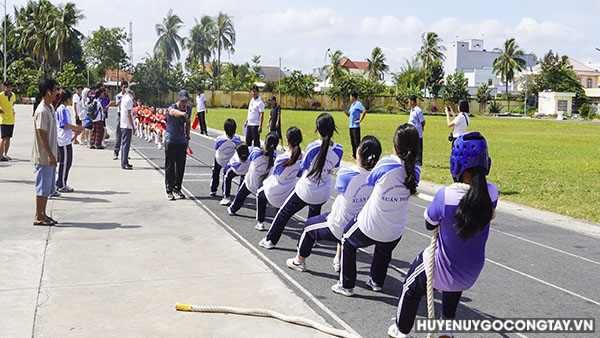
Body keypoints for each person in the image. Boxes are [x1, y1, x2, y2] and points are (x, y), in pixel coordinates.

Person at [387, 132, 497, 338]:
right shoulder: (492, 194)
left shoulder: (446, 195)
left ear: (455, 166)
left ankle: (400, 329)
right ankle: (446, 326)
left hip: (442, 271)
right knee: (455, 270)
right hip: (470, 273)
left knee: (410, 286)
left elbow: (429, 223)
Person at [332, 124, 420, 297]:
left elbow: (371, 181)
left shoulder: (387, 163)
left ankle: (346, 285)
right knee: (384, 249)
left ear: (395, 146)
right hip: (396, 230)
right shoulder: (415, 170)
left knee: (347, 240)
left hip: (370, 225)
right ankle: (376, 282)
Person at [286, 136, 381, 272]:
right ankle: (338, 259)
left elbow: (340, 188)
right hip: (359, 226)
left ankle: (299, 261)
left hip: (338, 224)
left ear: (358, 151)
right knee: (346, 219)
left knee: (308, 227)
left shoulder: (346, 173)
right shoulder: (378, 177)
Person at [259, 113, 343, 250]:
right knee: (313, 215)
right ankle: (310, 241)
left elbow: (304, 166)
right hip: (323, 191)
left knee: (284, 212)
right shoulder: (339, 149)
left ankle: (270, 240)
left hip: (307, 189)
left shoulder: (312, 147)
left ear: (318, 130)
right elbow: (335, 165)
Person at [255, 127, 304, 231]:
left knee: (260, 193)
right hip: (289, 190)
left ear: (287, 141)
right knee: (281, 202)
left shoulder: (281, 158)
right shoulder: (303, 157)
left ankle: (260, 222)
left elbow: (275, 173)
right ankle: (278, 220)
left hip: (275, 189)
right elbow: (299, 174)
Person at [227, 132, 278, 216]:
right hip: (262, 186)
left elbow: (247, 158)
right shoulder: (275, 157)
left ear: (265, 142)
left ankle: (233, 209)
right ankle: (261, 219)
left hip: (250, 183)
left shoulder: (255, 152)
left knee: (241, 194)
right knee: (262, 200)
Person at [32, 77, 59, 226]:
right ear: (48, 92)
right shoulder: (42, 110)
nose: (57, 93)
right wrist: (49, 154)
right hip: (43, 156)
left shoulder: (50, 108)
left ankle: (43, 214)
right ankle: (38, 215)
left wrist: (56, 151)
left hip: (50, 154)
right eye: (55, 90)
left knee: (47, 187)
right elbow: (41, 134)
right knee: (42, 186)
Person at [165, 90, 192, 201]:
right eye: (182, 101)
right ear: (178, 100)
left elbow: (188, 122)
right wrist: (181, 113)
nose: (184, 104)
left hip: (181, 141)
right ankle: (169, 190)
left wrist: (188, 137)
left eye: (186, 101)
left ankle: (177, 188)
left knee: (180, 167)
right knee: (170, 166)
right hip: (170, 140)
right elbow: (172, 113)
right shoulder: (172, 108)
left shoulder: (189, 109)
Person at [55, 89, 84, 192]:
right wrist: (77, 128)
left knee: (68, 162)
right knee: (65, 162)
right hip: (63, 140)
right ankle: (61, 184)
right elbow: (64, 125)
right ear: (67, 99)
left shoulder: (65, 109)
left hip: (66, 139)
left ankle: (61, 182)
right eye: (70, 99)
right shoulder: (61, 109)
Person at [210, 118, 241, 196]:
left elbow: (216, 148)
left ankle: (213, 189)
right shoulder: (237, 139)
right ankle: (227, 191)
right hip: (230, 160)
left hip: (220, 160)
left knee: (215, 171)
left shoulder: (220, 139)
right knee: (226, 174)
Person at [343, 91, 367, 159]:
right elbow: (348, 114)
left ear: (353, 97)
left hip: (356, 127)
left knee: (357, 142)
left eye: (350, 96)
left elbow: (364, 111)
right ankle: (354, 155)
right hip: (351, 126)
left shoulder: (358, 104)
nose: (349, 98)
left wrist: (360, 120)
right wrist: (343, 108)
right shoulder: (352, 105)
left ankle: (359, 155)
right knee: (352, 142)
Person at [0, 80, 16, 161]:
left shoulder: (13, 95)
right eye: (8, 87)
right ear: (4, 87)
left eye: (10, 87)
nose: (9, 89)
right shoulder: (1, 95)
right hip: (3, 119)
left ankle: (5, 154)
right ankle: (0, 155)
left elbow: (12, 104)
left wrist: (12, 110)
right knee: (3, 138)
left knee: (8, 138)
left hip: (11, 119)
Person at [119, 88, 135, 170]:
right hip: (127, 125)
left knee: (125, 144)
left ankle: (125, 161)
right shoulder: (129, 100)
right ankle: (124, 162)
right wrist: (132, 126)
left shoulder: (125, 98)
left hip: (124, 124)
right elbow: (128, 113)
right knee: (126, 144)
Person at [407, 95, 425, 166]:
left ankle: (418, 161)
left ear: (412, 101)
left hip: (417, 132)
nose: (408, 103)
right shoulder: (412, 109)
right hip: (411, 131)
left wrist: (421, 128)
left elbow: (423, 121)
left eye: (409, 101)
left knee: (418, 147)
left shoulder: (418, 110)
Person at [113, 81, 129, 160]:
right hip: (120, 115)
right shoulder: (118, 95)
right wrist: (123, 98)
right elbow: (117, 103)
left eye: (126, 87)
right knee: (119, 134)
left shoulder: (128, 95)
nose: (125, 88)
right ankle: (116, 152)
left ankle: (125, 153)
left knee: (126, 135)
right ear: (121, 87)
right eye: (124, 87)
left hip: (127, 115)